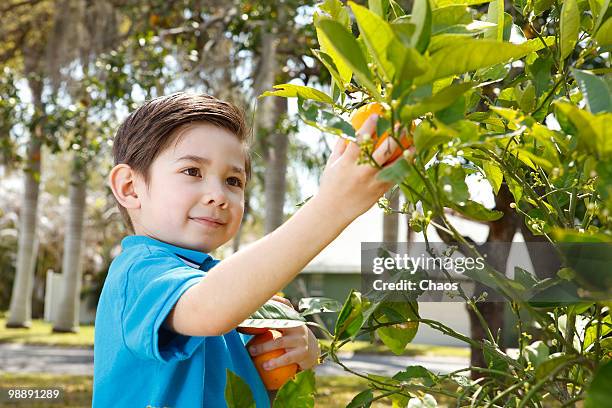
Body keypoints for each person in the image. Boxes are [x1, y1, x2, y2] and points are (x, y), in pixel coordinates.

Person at [93, 92, 398, 407]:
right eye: (192, 172)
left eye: (233, 181)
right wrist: (331, 206)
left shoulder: (226, 285)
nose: (218, 195)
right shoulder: (138, 272)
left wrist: (296, 352)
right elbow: (208, 309)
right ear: (130, 187)